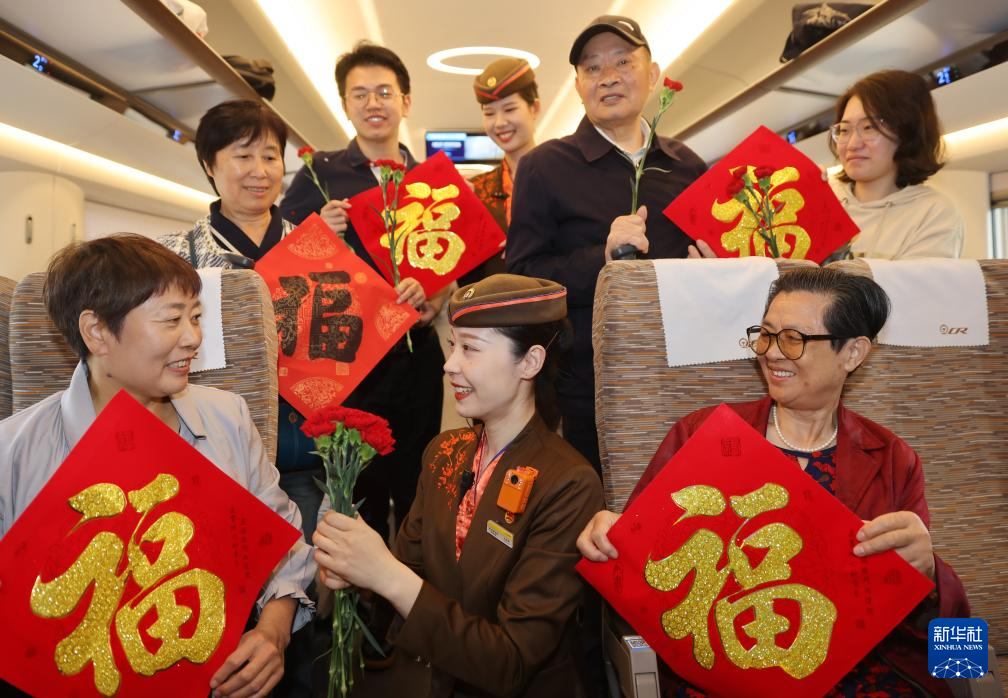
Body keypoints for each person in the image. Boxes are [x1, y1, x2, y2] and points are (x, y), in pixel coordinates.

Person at [577, 266, 969, 696]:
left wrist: (932, 576)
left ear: (853, 353)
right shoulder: (704, 436)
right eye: (765, 335)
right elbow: (637, 578)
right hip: (722, 676)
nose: (772, 353)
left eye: (793, 339)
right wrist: (609, 539)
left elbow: (956, 649)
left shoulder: (892, 459)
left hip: (861, 680)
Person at [0, 235, 315, 698]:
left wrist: (273, 632)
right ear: (97, 332)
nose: (193, 338)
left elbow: (283, 545)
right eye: (171, 319)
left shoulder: (227, 418)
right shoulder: (12, 451)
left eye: (196, 317)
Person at [313, 274, 604, 697]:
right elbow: (409, 570)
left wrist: (383, 573)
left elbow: (511, 661)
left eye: (470, 348)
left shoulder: (569, 484)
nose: (450, 364)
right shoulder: (445, 454)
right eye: (452, 345)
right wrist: (355, 567)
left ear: (530, 362)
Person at [506, 15, 708, 474]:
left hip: (682, 371)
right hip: (588, 381)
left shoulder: (687, 167)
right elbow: (522, 276)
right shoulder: (544, 167)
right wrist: (601, 259)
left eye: (623, 62)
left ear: (652, 75)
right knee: (600, 503)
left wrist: (715, 269)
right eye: (592, 67)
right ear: (578, 86)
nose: (608, 76)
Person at [280, 42, 447, 550]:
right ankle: (361, 594)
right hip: (351, 363)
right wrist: (316, 230)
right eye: (360, 94)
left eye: (384, 92)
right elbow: (284, 266)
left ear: (406, 102)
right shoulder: (319, 175)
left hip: (417, 359)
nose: (373, 103)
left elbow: (449, 268)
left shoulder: (430, 180)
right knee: (359, 488)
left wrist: (436, 297)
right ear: (345, 105)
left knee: (419, 483)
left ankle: (412, 587)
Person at [826, 69, 964, 260]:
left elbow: (917, 280)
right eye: (844, 130)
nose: (852, 144)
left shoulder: (933, 213)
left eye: (869, 127)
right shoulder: (825, 200)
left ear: (906, 133)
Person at [459, 57, 541, 286]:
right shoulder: (477, 190)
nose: (499, 122)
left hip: (555, 303)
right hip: (491, 304)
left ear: (534, 108)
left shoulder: (564, 176)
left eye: (510, 109)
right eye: (489, 113)